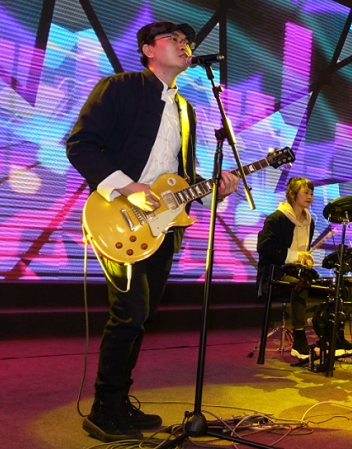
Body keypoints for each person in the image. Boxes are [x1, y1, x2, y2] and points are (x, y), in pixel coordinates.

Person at [66, 21, 240, 442]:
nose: (185, 46)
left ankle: (119, 402)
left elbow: (179, 179)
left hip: (161, 228)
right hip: (116, 218)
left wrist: (215, 187)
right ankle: (102, 410)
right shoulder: (119, 87)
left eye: (187, 41)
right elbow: (80, 145)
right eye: (174, 40)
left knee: (141, 316)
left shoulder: (186, 110)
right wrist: (127, 187)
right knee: (128, 313)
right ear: (148, 49)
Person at [256, 177, 352, 365]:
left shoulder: (309, 222)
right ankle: (299, 341)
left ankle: (334, 338)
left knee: (335, 288)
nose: (310, 196)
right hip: (275, 275)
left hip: (297, 273)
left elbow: (303, 252)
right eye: (306, 192)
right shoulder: (276, 218)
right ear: (292, 194)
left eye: (311, 193)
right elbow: (264, 248)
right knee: (300, 285)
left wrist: (306, 259)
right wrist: (296, 256)